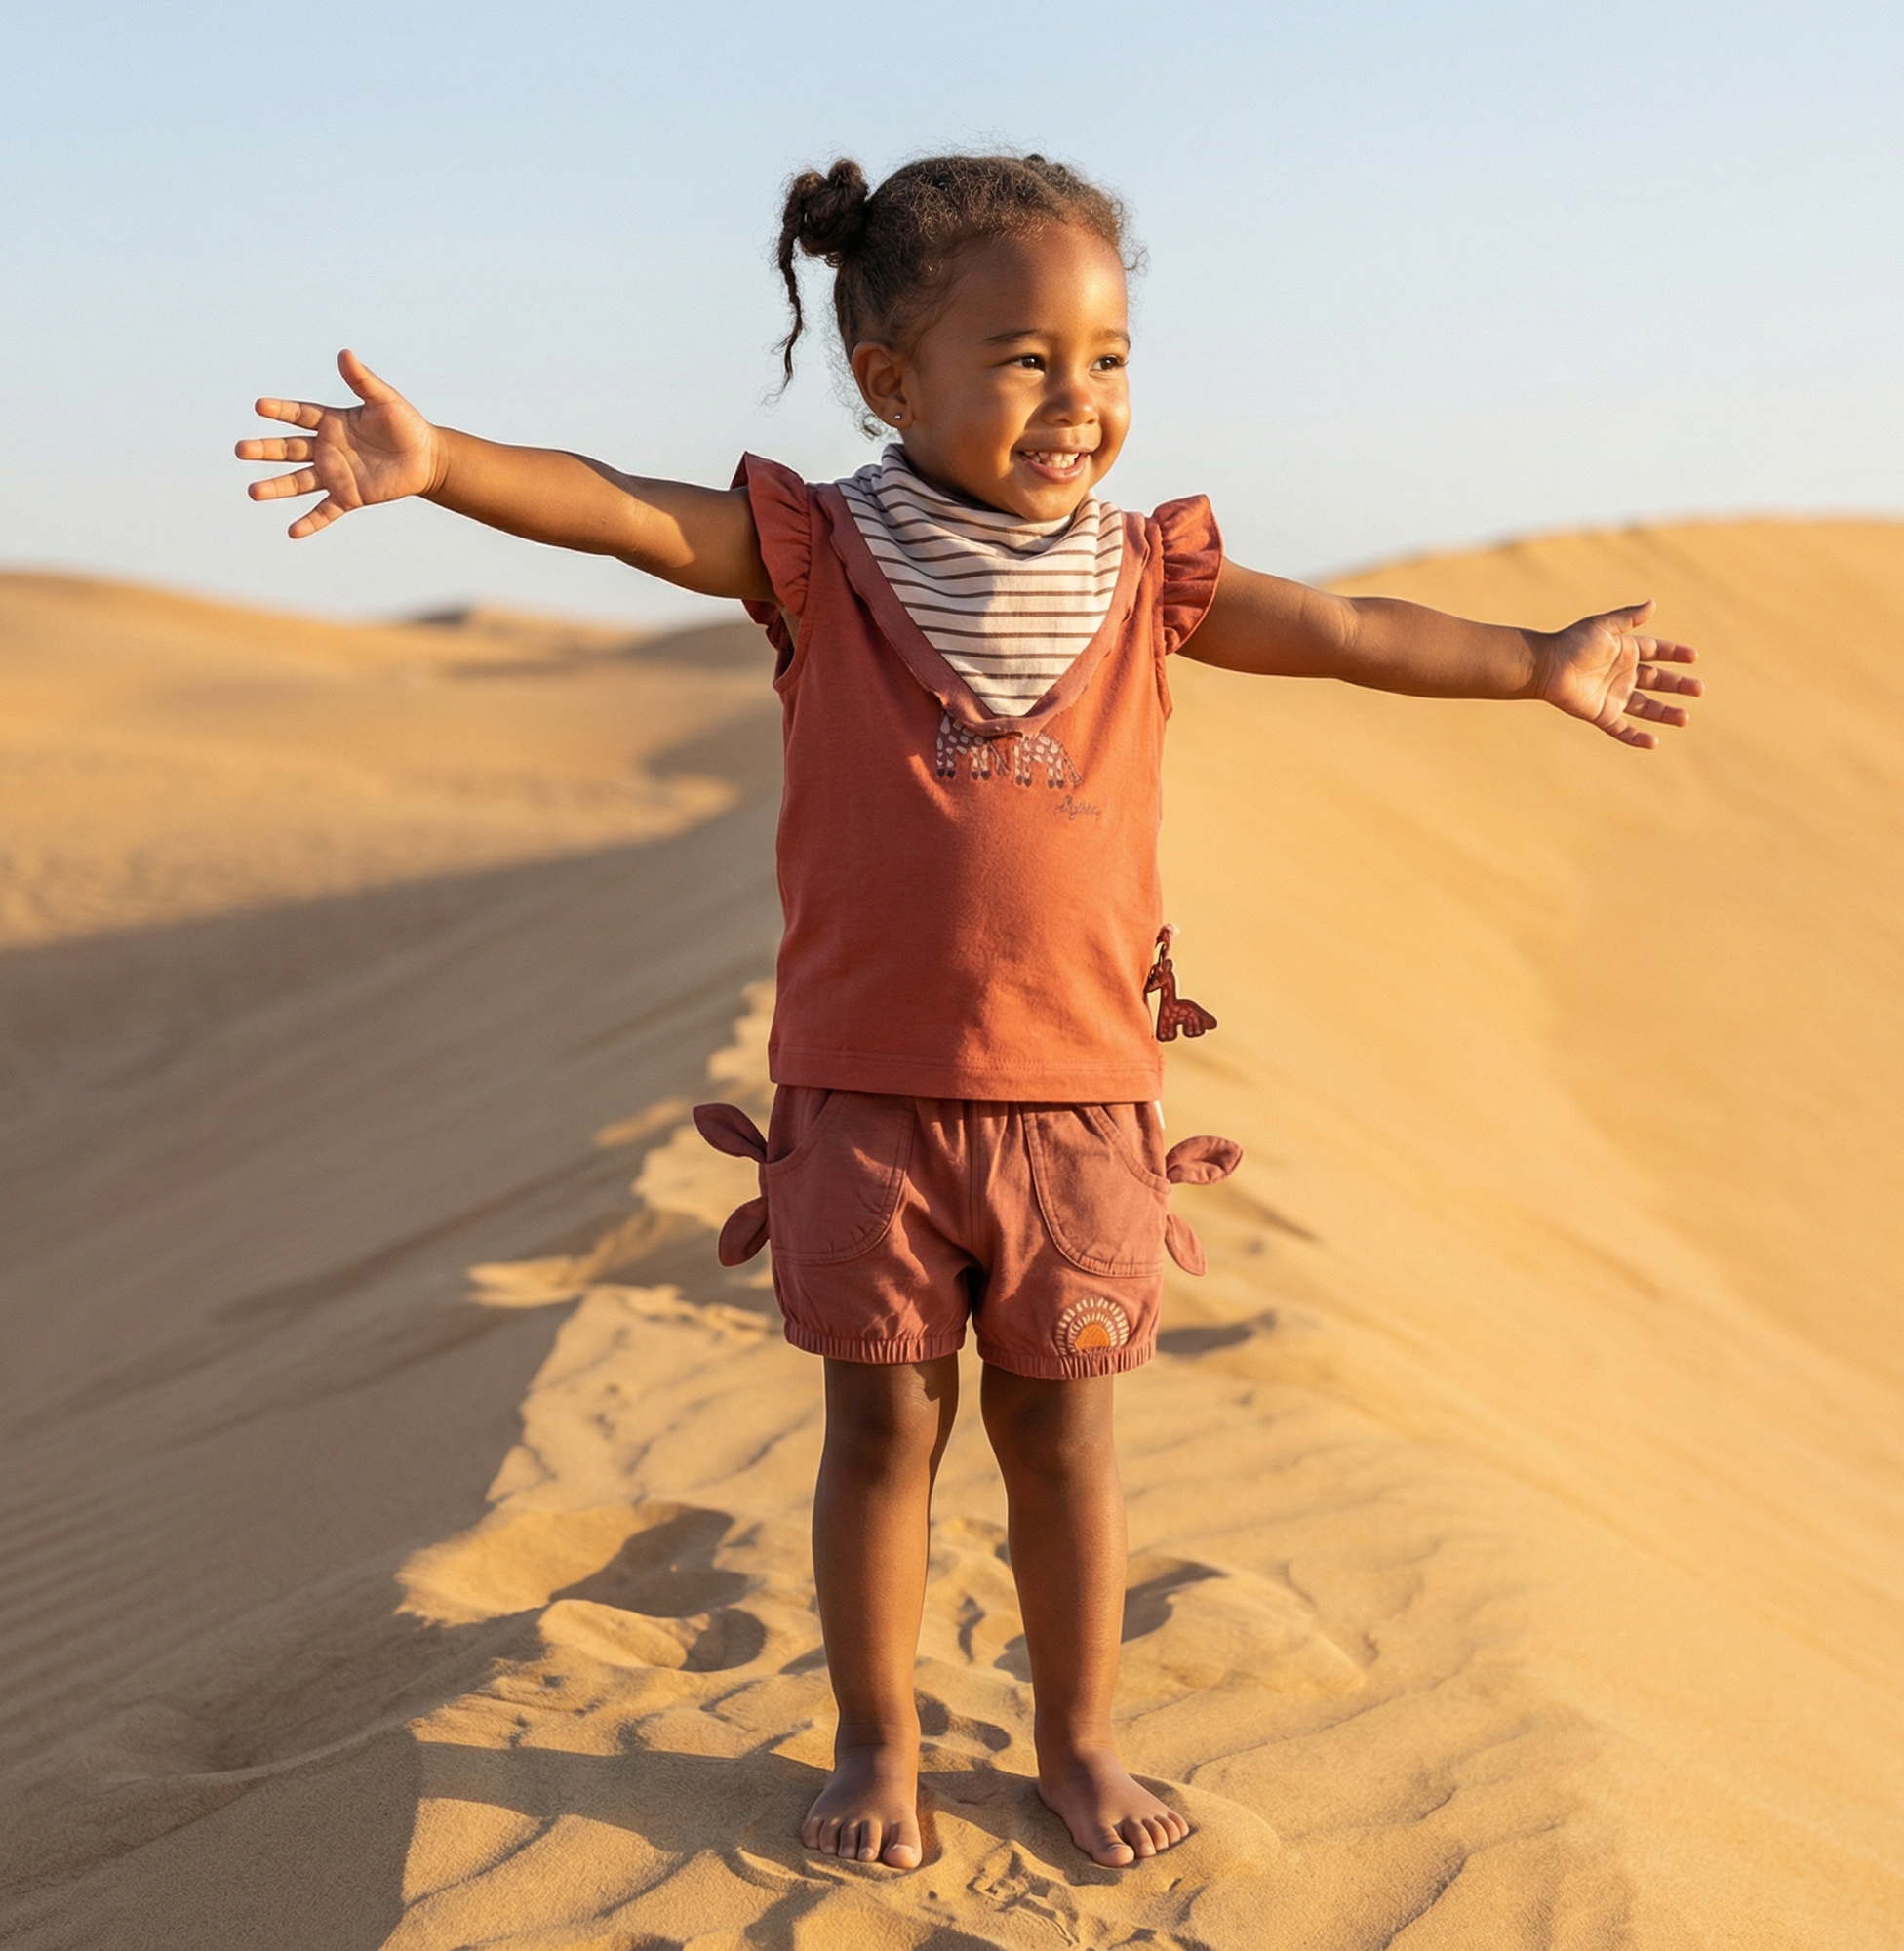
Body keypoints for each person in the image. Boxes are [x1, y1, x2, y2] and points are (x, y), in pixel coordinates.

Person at [236, 151, 1700, 1874]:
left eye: (1109, 357)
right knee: (883, 1432)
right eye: (1022, 357)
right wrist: (442, 467)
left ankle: (1077, 1743)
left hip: (1082, 1102)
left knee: (1064, 1439)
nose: (1078, 399)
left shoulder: (1155, 574)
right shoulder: (822, 558)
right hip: (864, 1101)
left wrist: (1536, 660)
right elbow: (630, 510)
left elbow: (1357, 627)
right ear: (889, 379)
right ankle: (877, 1742)